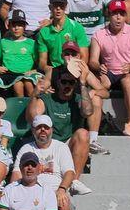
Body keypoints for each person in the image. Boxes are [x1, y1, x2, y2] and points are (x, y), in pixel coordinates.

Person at [31, 59, 96, 195]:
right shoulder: (47, 98)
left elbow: (88, 112)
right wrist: (34, 95)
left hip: (69, 143)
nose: (67, 85)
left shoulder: (78, 98)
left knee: (83, 133)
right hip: (50, 143)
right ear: (58, 82)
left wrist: (83, 84)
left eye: (71, 82)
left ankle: (74, 181)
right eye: (64, 82)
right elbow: (33, 118)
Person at [13, 114, 75, 210]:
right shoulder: (26, 148)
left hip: (55, 191)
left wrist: (61, 189)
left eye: (46, 128)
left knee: (64, 202)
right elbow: (16, 174)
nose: (42, 131)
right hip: (31, 190)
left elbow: (70, 173)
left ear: (51, 130)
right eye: (39, 128)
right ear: (33, 130)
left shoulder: (61, 147)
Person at [90, 0, 130, 135]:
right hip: (109, 72)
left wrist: (129, 67)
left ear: (125, 16)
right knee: (101, 83)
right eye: (115, 14)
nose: (118, 17)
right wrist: (99, 66)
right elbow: (93, 61)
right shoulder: (99, 34)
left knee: (126, 81)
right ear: (109, 15)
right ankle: (100, 120)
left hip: (129, 72)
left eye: (121, 14)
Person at [37, 0, 90, 80]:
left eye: (61, 6)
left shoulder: (77, 27)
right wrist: (53, 72)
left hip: (74, 70)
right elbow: (42, 62)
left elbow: (84, 56)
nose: (58, 9)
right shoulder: (44, 32)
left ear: (66, 7)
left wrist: (75, 70)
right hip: (55, 70)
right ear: (50, 7)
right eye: (55, 5)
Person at [0, 8, 40, 96]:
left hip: (26, 74)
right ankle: (19, 106)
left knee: (28, 85)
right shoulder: (3, 42)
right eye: (13, 25)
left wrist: (34, 71)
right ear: (8, 26)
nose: (16, 28)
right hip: (9, 74)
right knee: (18, 84)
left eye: (20, 25)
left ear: (25, 27)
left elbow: (39, 64)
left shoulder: (31, 43)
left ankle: (32, 106)